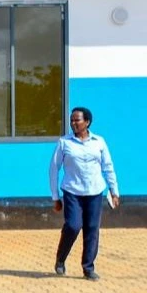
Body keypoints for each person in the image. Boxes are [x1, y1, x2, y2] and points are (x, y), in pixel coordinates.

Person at [50, 107, 119, 281]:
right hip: (72, 191)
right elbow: (53, 169)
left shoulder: (99, 142)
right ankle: (61, 258)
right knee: (73, 226)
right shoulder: (64, 143)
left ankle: (88, 268)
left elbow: (108, 167)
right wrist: (55, 197)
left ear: (87, 122)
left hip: (95, 192)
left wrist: (114, 191)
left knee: (92, 229)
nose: (73, 123)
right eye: (72, 120)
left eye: (77, 120)